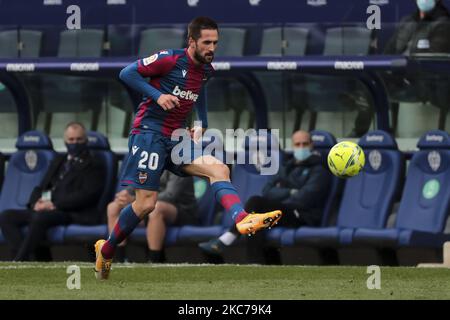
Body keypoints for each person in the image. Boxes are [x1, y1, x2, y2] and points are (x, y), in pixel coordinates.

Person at [94, 16, 282, 279]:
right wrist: (158, 95)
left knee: (218, 168)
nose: (212, 48)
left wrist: (202, 121)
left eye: (215, 43)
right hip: (149, 134)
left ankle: (242, 219)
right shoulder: (169, 59)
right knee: (146, 204)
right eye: (207, 42)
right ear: (191, 41)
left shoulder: (206, 69)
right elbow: (127, 73)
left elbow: (199, 90)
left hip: (177, 137)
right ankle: (108, 248)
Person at [199, 130, 332, 264]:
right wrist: (291, 191)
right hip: (283, 212)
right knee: (257, 213)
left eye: (305, 144)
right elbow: (268, 191)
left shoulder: (319, 169)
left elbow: (304, 199)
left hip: (302, 216)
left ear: (312, 145)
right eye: (297, 144)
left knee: (256, 203)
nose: (301, 147)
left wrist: (281, 194)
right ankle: (255, 261)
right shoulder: (287, 166)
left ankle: (230, 237)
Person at [0, 122, 104, 261]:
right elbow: (42, 186)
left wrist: (53, 204)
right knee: (7, 216)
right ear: (65, 141)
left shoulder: (94, 163)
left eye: (79, 139)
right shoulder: (59, 160)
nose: (75, 143)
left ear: (85, 140)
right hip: (48, 208)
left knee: (40, 218)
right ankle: (27, 260)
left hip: (71, 212)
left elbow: (87, 195)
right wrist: (35, 203)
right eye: (71, 140)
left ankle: (19, 261)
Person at [383, 0, 450, 132]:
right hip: (399, 75)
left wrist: (404, 71)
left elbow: (433, 61)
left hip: (425, 81)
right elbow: (388, 50)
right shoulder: (407, 21)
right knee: (371, 81)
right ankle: (377, 135)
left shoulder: (443, 23)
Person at [107, 171, 198, 263]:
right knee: (113, 207)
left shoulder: (178, 165)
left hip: (182, 211)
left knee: (157, 208)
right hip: (149, 208)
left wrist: (136, 200)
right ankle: (119, 258)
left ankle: (154, 260)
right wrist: (124, 196)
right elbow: (134, 187)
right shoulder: (148, 164)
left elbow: (170, 196)